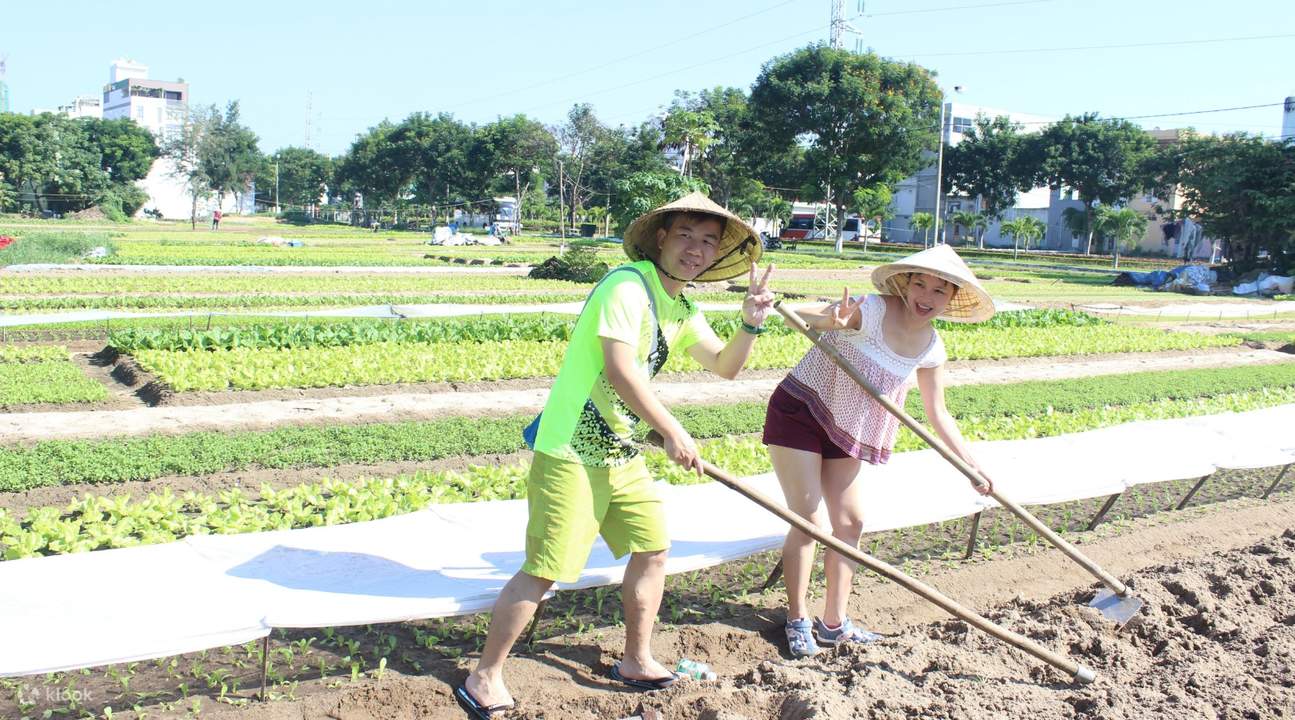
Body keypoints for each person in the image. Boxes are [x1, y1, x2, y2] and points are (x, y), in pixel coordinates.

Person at [458, 192, 775, 718]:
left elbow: (725, 366)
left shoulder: (682, 305)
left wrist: (751, 322)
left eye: (708, 241)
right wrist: (672, 430)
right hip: (570, 450)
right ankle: (483, 675)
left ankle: (636, 658)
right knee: (547, 566)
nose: (695, 249)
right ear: (660, 239)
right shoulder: (627, 286)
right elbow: (620, 369)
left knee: (653, 547)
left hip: (619, 451)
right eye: (685, 236)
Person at [761, 244, 997, 658]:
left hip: (846, 428)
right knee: (809, 517)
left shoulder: (931, 348)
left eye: (940, 290)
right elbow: (812, 317)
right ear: (903, 284)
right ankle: (797, 619)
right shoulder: (871, 310)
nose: (927, 296)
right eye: (919, 283)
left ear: (952, 298)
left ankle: (834, 624)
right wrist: (827, 320)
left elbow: (938, 412)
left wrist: (971, 466)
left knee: (851, 522)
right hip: (801, 410)